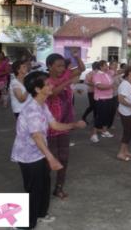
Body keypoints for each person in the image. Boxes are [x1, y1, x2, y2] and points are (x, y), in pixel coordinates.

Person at [11, 71, 86, 229]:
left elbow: (54, 125)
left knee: (44, 184)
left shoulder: (42, 104)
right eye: (47, 84)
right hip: (28, 157)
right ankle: (25, 224)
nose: (52, 85)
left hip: (39, 153)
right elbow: (37, 137)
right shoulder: (32, 110)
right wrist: (51, 158)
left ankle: (41, 214)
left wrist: (74, 125)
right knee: (34, 189)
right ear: (37, 89)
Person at [45, 53, 84, 199]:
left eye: (63, 66)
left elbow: (81, 68)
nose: (62, 69)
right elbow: (53, 94)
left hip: (65, 125)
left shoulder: (65, 75)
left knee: (64, 158)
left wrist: (76, 56)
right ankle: (44, 188)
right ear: (49, 66)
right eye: (58, 66)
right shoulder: (46, 81)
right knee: (49, 160)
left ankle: (58, 187)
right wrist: (67, 82)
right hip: (50, 127)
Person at [116, 66, 131, 161]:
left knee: (129, 131)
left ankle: (126, 151)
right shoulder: (124, 84)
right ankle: (121, 153)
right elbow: (120, 99)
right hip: (125, 112)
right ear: (129, 73)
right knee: (128, 132)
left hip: (130, 111)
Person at [90, 60, 116, 143]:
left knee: (107, 115)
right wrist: (110, 86)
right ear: (100, 66)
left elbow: (116, 71)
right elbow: (99, 86)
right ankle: (93, 134)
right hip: (101, 98)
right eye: (105, 65)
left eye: (107, 65)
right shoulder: (97, 75)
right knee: (100, 116)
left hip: (110, 97)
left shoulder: (108, 73)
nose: (107, 66)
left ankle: (104, 131)